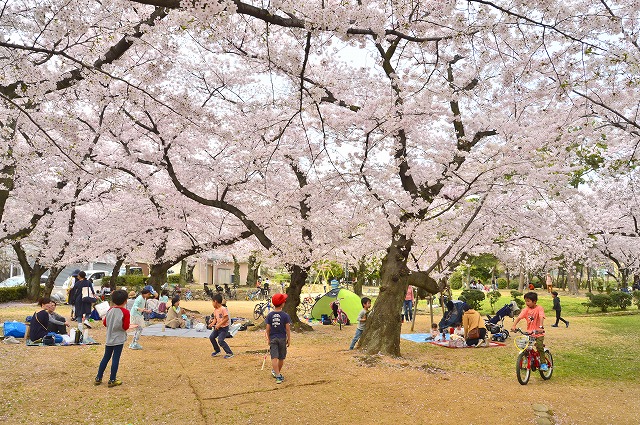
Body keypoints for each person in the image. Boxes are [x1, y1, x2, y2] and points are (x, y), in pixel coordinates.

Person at [94, 289, 131, 387]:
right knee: (115, 358)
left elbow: (105, 323)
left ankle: (98, 377)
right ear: (125, 301)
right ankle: (112, 379)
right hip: (119, 339)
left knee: (105, 357)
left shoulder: (110, 310)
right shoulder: (125, 312)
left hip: (109, 338)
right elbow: (125, 326)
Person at [511, 292, 549, 371]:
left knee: (539, 346)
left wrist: (541, 327)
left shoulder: (539, 308)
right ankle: (527, 359)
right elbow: (519, 318)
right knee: (524, 346)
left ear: (534, 301)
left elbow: (541, 316)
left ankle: (543, 363)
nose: (526, 303)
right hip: (529, 333)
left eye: (528, 301)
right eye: (525, 301)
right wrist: (514, 325)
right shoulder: (526, 310)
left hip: (539, 333)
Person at [265, 293, 291, 384]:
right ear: (283, 304)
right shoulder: (285, 315)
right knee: (281, 357)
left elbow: (267, 329)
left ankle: (277, 374)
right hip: (282, 339)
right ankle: (278, 374)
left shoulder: (270, 315)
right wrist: (289, 339)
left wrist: (268, 339)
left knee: (274, 357)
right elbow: (287, 329)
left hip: (273, 338)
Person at [208, 293, 233, 359]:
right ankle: (217, 350)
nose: (212, 304)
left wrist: (219, 324)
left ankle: (229, 353)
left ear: (215, 301)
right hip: (217, 328)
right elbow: (215, 319)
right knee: (211, 337)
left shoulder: (223, 309)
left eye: (212, 302)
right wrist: (212, 324)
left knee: (220, 340)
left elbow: (226, 318)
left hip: (224, 328)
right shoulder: (215, 310)